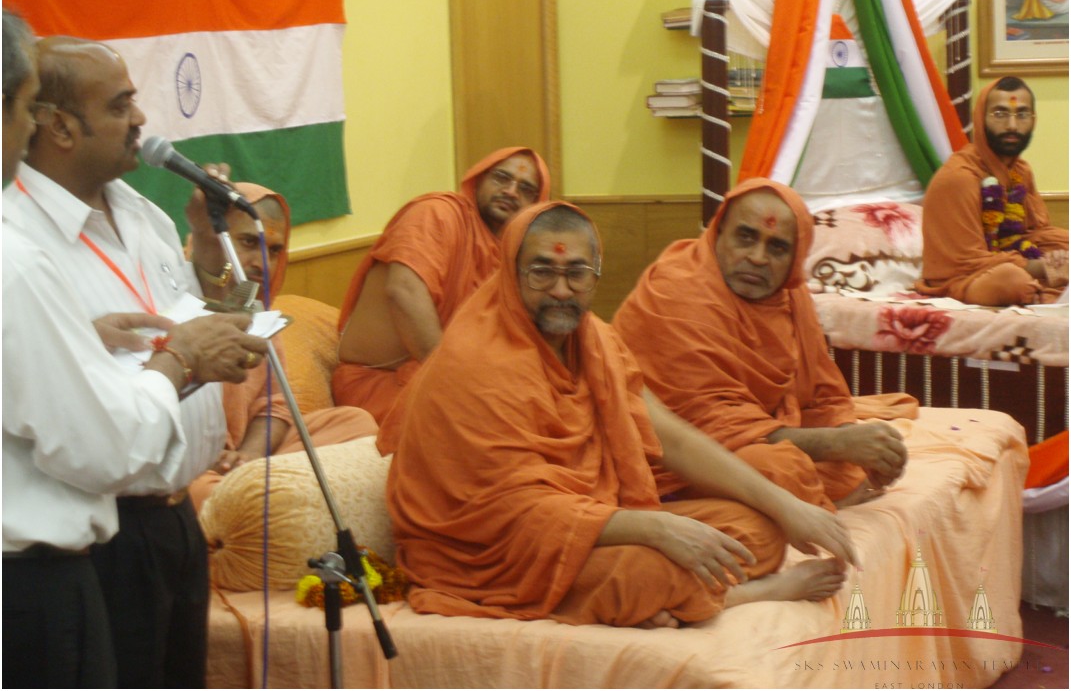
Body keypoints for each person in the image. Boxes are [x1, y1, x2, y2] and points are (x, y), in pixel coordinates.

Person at [378, 201, 859, 628]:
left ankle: (682, 596)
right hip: (489, 552)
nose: (562, 291)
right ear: (510, 272)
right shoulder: (476, 360)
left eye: (578, 274)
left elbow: (670, 435)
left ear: (597, 274)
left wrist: (785, 506)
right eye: (542, 272)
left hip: (586, 518)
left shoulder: (595, 340)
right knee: (652, 570)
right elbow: (513, 510)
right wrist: (658, 528)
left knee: (758, 530)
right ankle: (740, 595)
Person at [2, 12, 267, 688]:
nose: (140, 119)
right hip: (95, 537)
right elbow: (89, 428)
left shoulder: (142, 213)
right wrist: (174, 361)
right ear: (56, 125)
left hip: (175, 517)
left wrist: (212, 272)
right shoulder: (20, 246)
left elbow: (192, 322)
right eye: (120, 106)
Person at [613, 178, 909, 510]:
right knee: (781, 472)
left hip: (754, 434)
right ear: (718, 232)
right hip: (678, 458)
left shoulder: (789, 294)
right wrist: (837, 442)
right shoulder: (678, 293)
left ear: (795, 260)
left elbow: (823, 394)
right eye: (746, 237)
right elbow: (710, 427)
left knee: (843, 467)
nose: (757, 258)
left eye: (777, 247)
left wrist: (857, 444)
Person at [185, 182, 378, 511]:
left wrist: (248, 455)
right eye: (249, 242)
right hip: (193, 466)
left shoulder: (259, 310)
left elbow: (275, 406)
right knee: (202, 492)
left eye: (274, 250)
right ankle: (254, 493)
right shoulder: (172, 296)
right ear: (212, 235)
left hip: (248, 458)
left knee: (355, 423)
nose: (263, 262)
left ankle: (253, 487)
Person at [333, 146, 551, 422]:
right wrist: (457, 386)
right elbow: (404, 291)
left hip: (448, 381)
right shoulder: (437, 213)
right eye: (501, 178)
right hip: (377, 385)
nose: (511, 191)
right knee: (488, 430)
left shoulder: (510, 255)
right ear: (478, 179)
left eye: (526, 189)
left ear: (535, 205)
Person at [915, 77, 1069, 306]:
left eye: (1022, 115)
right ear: (980, 119)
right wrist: (1043, 267)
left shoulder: (1021, 171)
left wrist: (1057, 257)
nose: (1012, 126)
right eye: (1000, 114)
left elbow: (1032, 234)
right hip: (966, 277)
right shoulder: (958, 177)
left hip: (1012, 258)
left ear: (1033, 121)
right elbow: (966, 261)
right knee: (1012, 280)